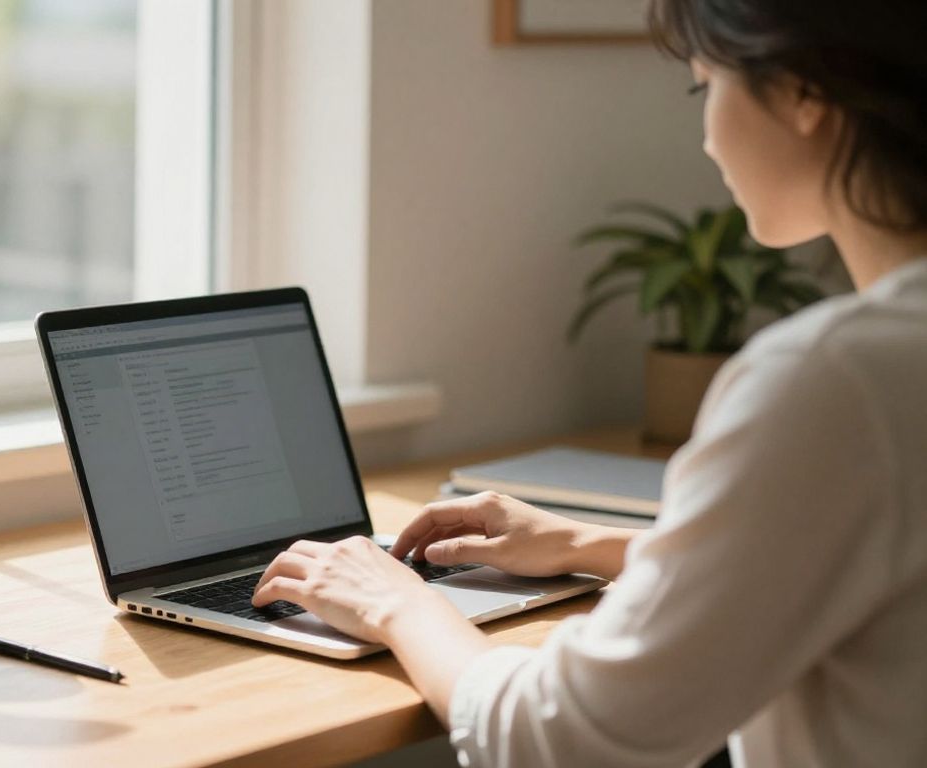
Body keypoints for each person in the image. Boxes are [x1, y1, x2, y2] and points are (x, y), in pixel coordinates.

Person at [250, 1, 927, 765]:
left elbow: (564, 740)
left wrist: (396, 602)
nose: (706, 137)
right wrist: (584, 543)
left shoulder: (837, 383)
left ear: (806, 91)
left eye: (706, 88)